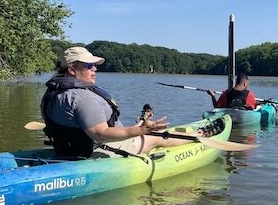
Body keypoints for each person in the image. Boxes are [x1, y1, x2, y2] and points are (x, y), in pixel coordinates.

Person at [40, 46, 197, 159]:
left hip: (67, 151)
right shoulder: (83, 98)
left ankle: (147, 124)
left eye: (94, 65)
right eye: (88, 65)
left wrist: (138, 128)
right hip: (99, 151)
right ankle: (198, 138)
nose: (94, 69)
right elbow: (100, 134)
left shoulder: (52, 94)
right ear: (72, 70)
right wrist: (141, 131)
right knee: (156, 137)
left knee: (139, 128)